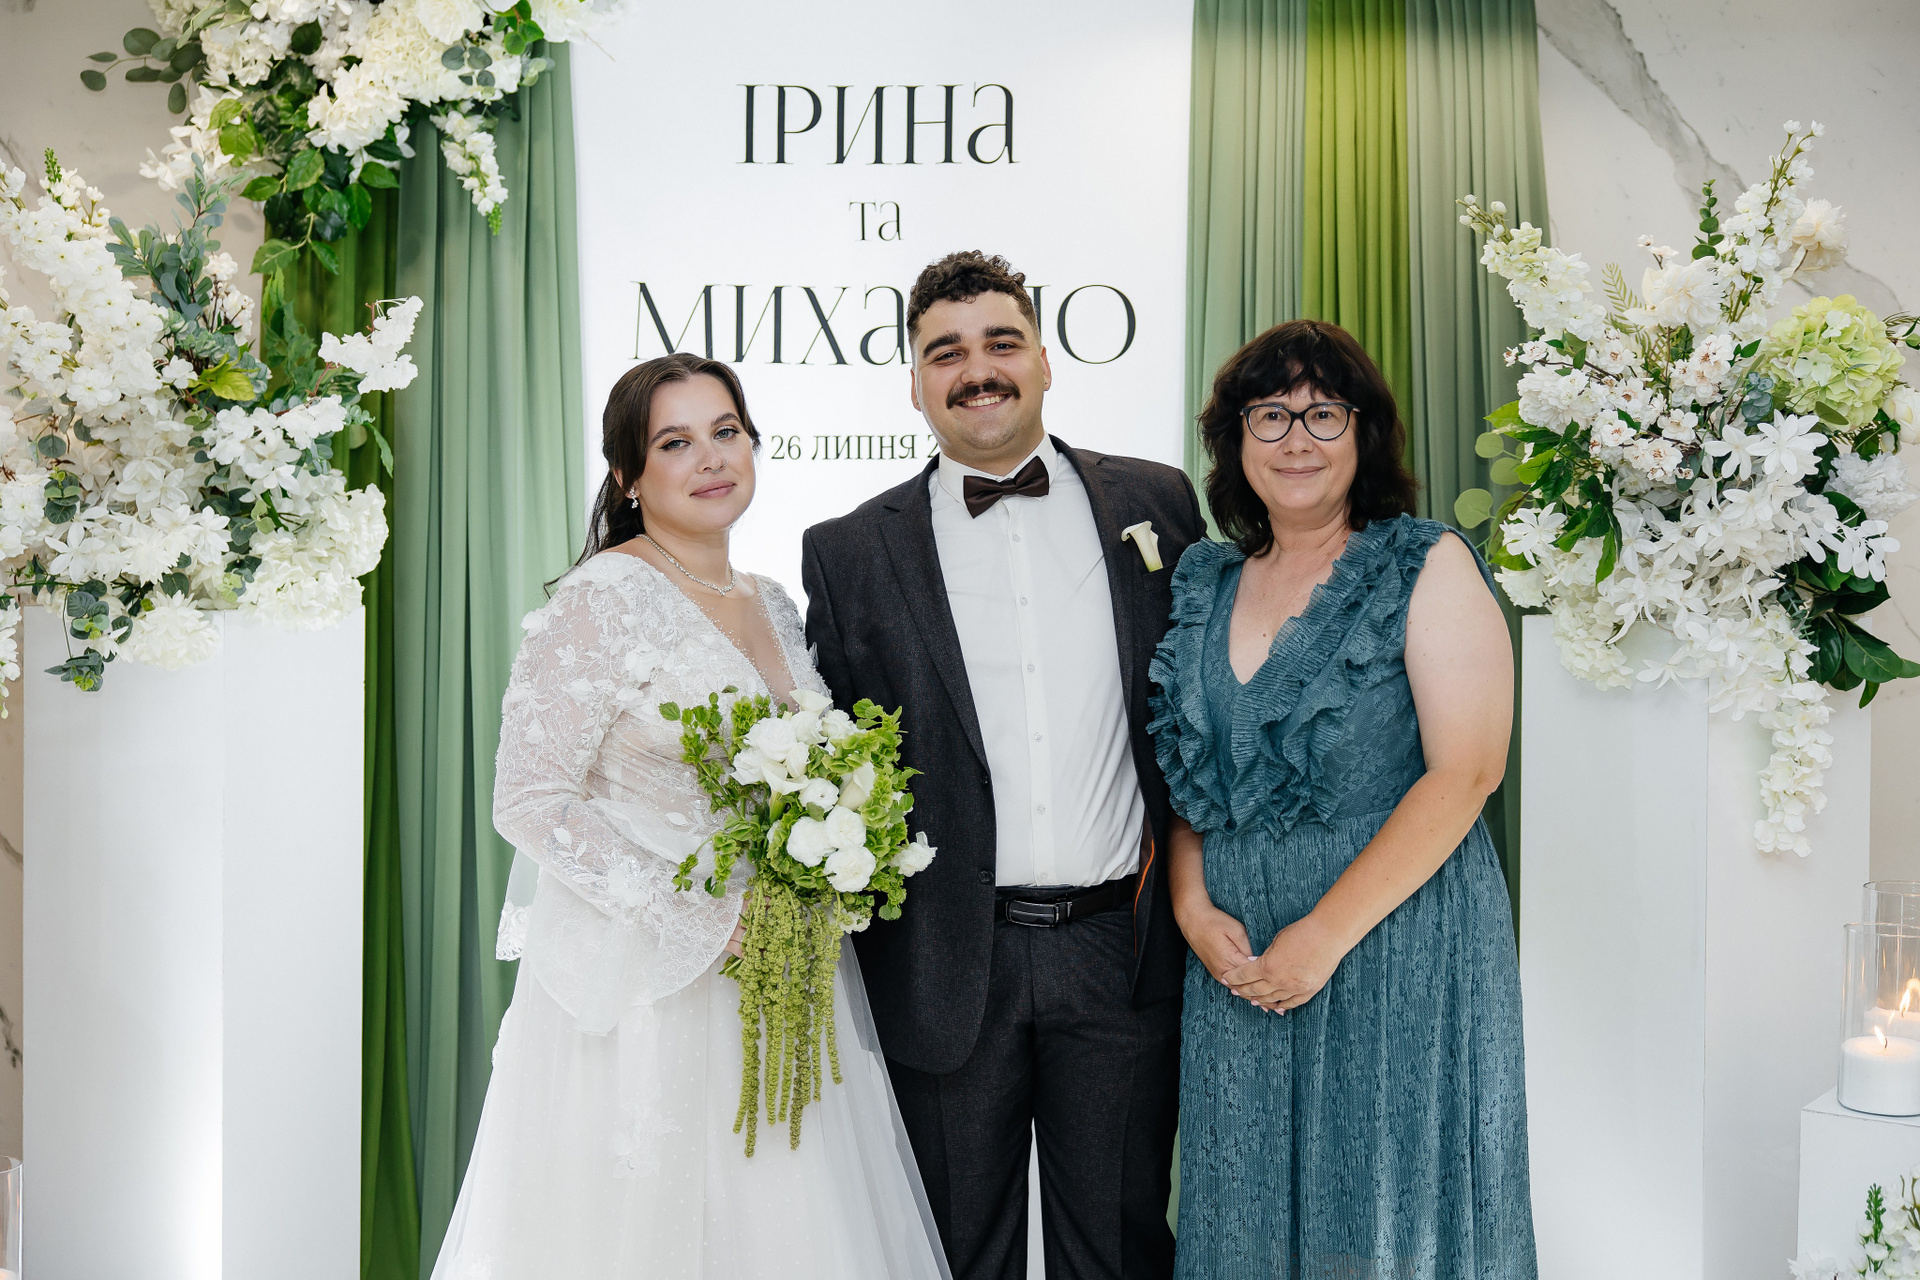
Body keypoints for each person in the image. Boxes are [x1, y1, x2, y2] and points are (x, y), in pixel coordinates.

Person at [432, 354, 949, 1279]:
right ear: (628, 476)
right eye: (675, 442)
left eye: (726, 432)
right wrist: (701, 915)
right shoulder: (602, 599)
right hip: (647, 987)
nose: (711, 458)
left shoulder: (772, 601)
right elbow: (529, 798)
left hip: (782, 972)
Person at [802, 251, 1206, 1280]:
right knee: (951, 1250)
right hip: (943, 957)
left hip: (1119, 947)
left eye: (1001, 343)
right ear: (914, 382)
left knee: (1118, 1245)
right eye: (946, 352)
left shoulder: (1158, 503)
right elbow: (834, 761)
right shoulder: (848, 552)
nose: (977, 370)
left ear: (1044, 360)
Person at [1148, 319, 1536, 1278]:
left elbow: (1468, 771)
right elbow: (1192, 781)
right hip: (1238, 966)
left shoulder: (1425, 561)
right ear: (1235, 439)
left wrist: (1323, 935)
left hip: (1393, 946)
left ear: (1365, 435)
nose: (1296, 438)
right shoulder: (1204, 580)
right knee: (1239, 1214)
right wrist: (1190, 908)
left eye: (1324, 413)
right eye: (1270, 414)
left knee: (1381, 1219)